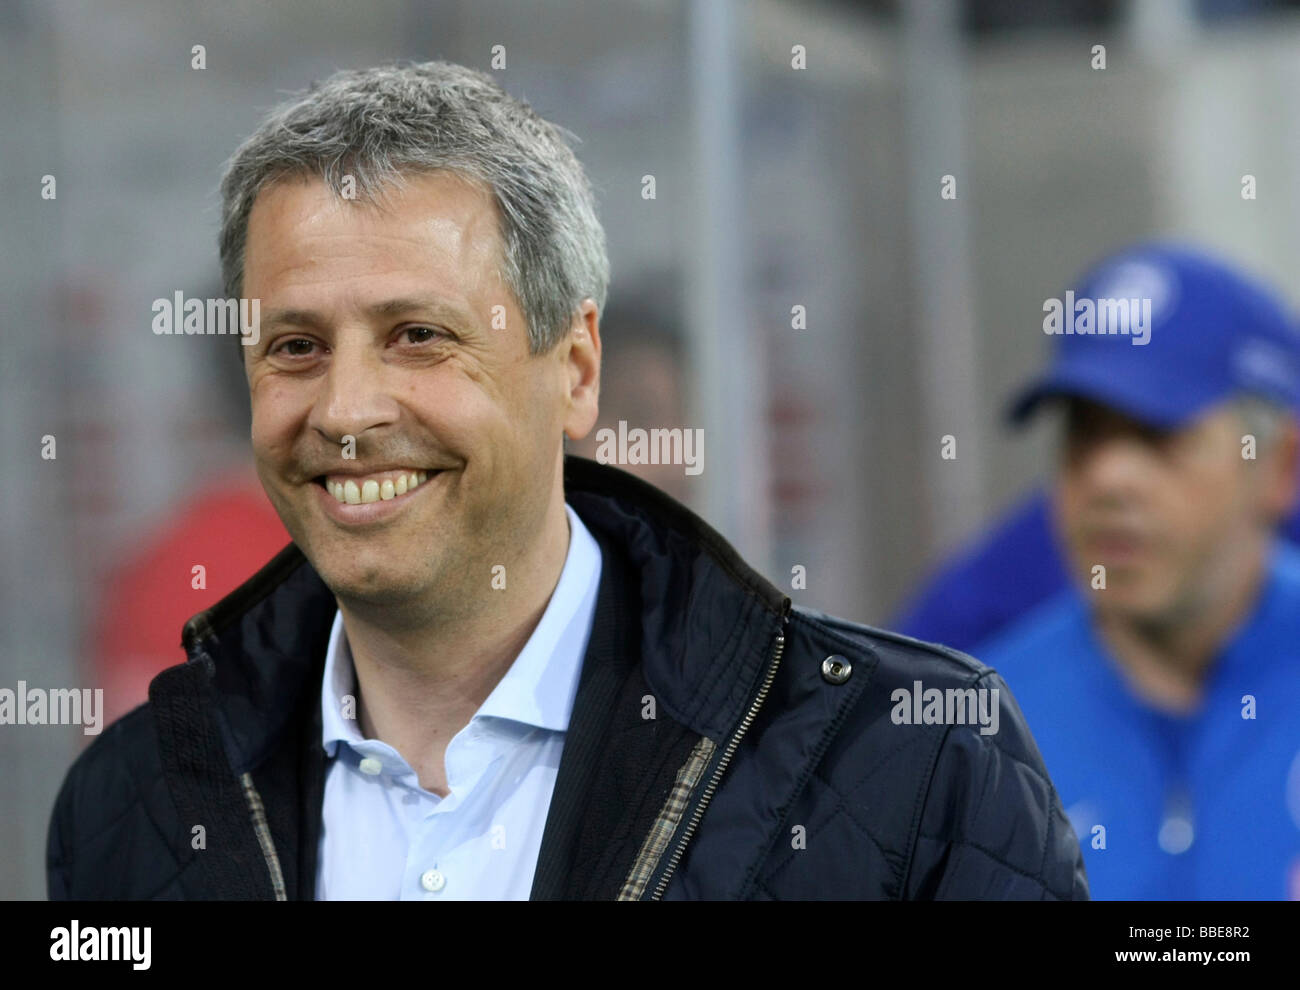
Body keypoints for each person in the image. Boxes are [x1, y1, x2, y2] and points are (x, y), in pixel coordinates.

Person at [46, 60, 1086, 901]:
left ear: (575, 370)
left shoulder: (912, 765)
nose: (348, 411)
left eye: (418, 336)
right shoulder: (129, 805)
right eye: (297, 348)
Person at [975, 242, 1300, 899]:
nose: (1108, 479)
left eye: (1159, 433)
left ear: (1279, 467)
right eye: (1085, 434)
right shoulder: (978, 730)